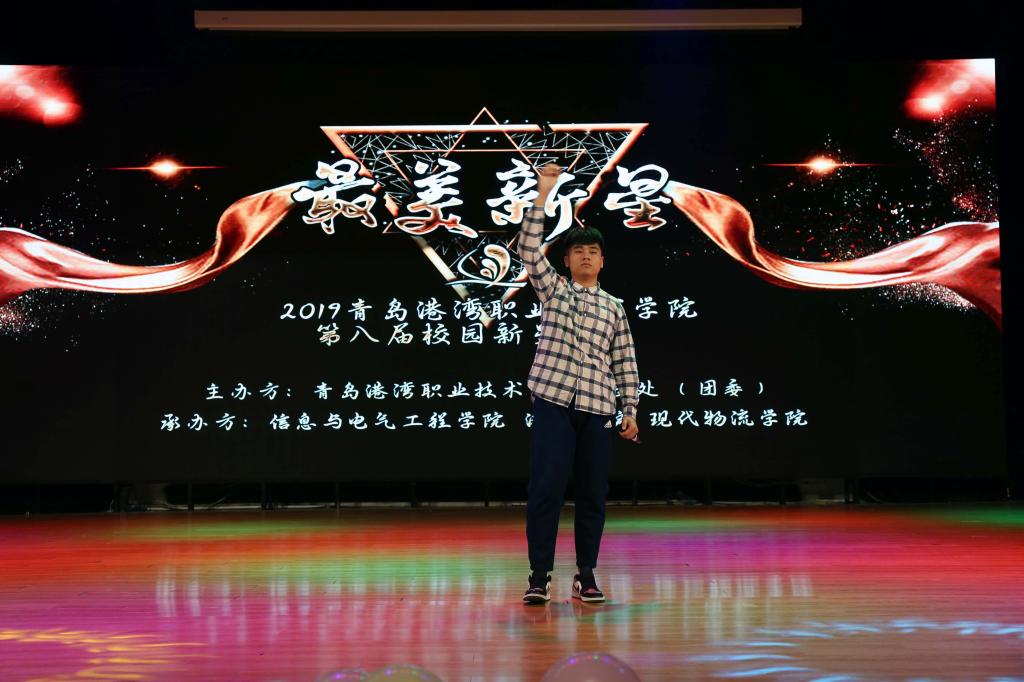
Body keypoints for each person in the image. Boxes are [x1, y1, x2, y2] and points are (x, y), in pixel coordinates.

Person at [517, 162, 640, 604]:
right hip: (553, 401)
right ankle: (539, 575)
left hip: (598, 407)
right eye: (578, 251)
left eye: (593, 251)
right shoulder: (554, 290)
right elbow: (528, 249)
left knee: (592, 494)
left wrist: (630, 409)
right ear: (566, 260)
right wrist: (543, 191)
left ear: (602, 261)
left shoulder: (614, 307)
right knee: (546, 488)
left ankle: (586, 574)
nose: (586, 256)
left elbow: (624, 360)